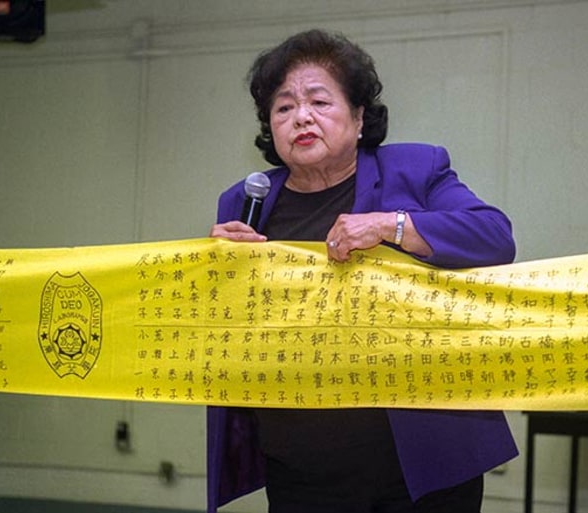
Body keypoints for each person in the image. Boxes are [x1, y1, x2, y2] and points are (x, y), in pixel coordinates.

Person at [207, 29, 518, 513]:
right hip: (300, 464)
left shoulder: (414, 169)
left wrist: (390, 225)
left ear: (358, 118)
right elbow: (226, 326)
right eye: (283, 107)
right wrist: (217, 275)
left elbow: (494, 236)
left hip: (420, 462)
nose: (301, 117)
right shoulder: (248, 200)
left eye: (318, 101)